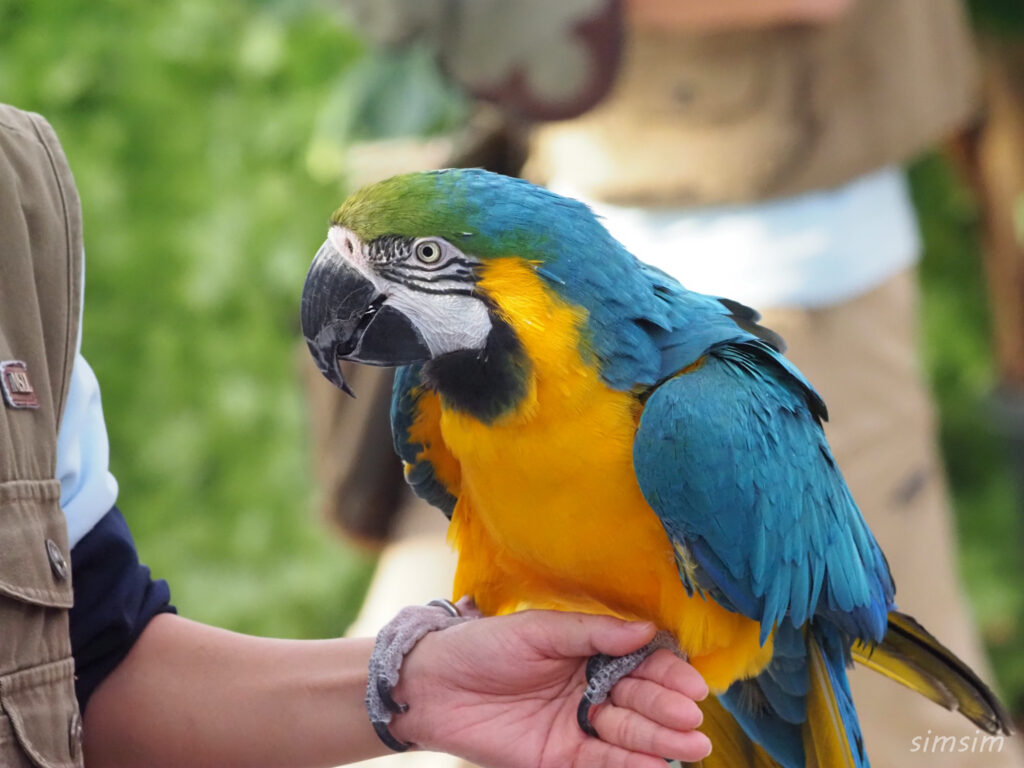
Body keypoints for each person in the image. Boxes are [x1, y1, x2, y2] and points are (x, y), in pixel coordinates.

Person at [313, 1, 1024, 765]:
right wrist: (439, 633)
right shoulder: (436, 391)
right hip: (598, 196)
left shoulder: (699, 411)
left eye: (421, 264)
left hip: (795, 267)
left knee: (925, 751)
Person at [0, 103, 713, 767]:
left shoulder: (20, 201)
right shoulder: (436, 400)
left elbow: (88, 658)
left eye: (430, 260)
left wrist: (416, 684)